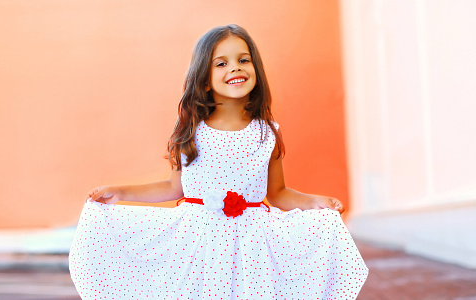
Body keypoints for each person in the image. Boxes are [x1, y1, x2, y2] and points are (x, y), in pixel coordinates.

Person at [69, 24, 368, 299]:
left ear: (255, 68)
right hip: (198, 244)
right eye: (221, 63)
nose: (235, 68)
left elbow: (278, 194)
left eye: (243, 59)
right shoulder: (189, 130)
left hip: (253, 248)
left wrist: (316, 202)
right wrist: (121, 193)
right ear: (205, 78)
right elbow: (175, 188)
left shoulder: (267, 133)